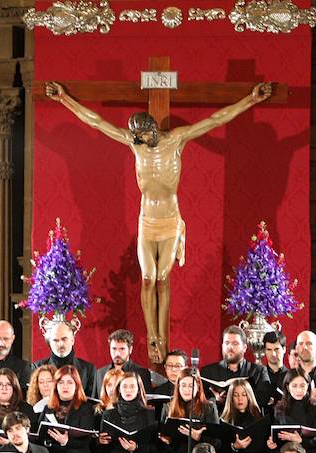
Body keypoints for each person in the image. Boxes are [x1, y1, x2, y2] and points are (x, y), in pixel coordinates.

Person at [47, 80, 273, 363]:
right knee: (147, 277)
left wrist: (250, 99)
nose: (137, 139)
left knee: (163, 278)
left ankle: (163, 340)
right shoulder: (135, 144)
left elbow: (216, 120)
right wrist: (64, 100)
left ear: (151, 129)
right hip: (147, 220)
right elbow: (97, 122)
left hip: (169, 220)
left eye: (141, 135)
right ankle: (153, 334)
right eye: (135, 136)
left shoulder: (176, 140)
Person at [36, 365, 96, 453]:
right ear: (55, 385)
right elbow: (40, 435)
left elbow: (87, 438)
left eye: (70, 382)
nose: (65, 386)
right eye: (61, 382)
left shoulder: (85, 408)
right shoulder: (48, 408)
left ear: (77, 385)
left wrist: (66, 441)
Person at [158, 368, 220, 453]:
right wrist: (166, 441)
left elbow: (217, 442)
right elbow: (161, 441)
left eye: (191, 386)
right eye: (183, 385)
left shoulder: (208, 408)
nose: (187, 390)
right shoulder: (168, 407)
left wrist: (199, 437)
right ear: (178, 387)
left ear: (198, 387)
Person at [99, 372, 157, 453]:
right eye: (124, 386)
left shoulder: (149, 414)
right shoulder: (108, 415)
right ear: (119, 389)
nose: (128, 390)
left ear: (138, 389)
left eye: (132, 386)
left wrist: (135, 448)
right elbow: (102, 451)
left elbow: (154, 448)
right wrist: (101, 442)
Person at [200, 326, 271, 407]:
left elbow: (263, 399)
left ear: (244, 348)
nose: (230, 347)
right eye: (227, 343)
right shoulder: (207, 372)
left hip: (248, 418)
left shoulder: (259, 371)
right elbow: (201, 400)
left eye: (235, 343)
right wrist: (215, 400)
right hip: (217, 417)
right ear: (223, 346)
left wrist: (232, 400)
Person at [269, 367, 316, 453]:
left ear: (308, 385)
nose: (299, 390)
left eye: (302, 385)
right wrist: (272, 444)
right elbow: (277, 436)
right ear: (288, 387)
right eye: (294, 386)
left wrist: (301, 441)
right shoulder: (279, 409)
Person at [31, 321, 97, 396]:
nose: (60, 344)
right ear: (49, 343)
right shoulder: (37, 367)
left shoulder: (88, 369)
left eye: (64, 339)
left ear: (72, 340)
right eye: (56, 340)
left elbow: (92, 402)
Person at [94, 329, 153, 398]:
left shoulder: (142, 373)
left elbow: (146, 402)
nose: (117, 353)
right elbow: (95, 402)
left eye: (122, 349)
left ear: (130, 349)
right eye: (114, 349)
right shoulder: (100, 373)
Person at [262, 331, 288, 405]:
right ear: (265, 351)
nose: (273, 354)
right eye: (269, 349)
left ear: (284, 349)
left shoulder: (291, 376)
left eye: (276, 349)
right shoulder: (258, 375)